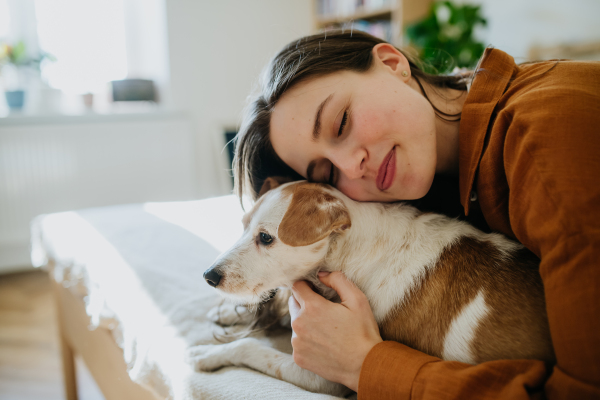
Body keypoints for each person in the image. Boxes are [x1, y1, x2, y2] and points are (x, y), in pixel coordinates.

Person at [232, 30, 600, 399]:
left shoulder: (544, 148)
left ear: (393, 65)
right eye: (328, 174)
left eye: (341, 122)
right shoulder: (445, 196)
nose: (351, 165)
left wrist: (365, 365)